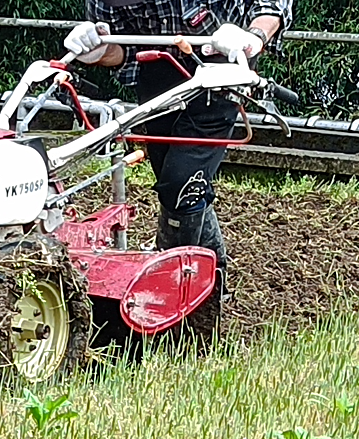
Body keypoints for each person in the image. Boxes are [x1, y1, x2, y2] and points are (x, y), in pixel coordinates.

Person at [63, 1, 292, 303]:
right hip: (158, 79)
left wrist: (253, 36)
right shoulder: (102, 2)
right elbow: (122, 52)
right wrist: (98, 48)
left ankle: (173, 292)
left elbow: (273, 5)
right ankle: (214, 280)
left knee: (181, 182)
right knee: (181, 191)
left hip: (219, 74)